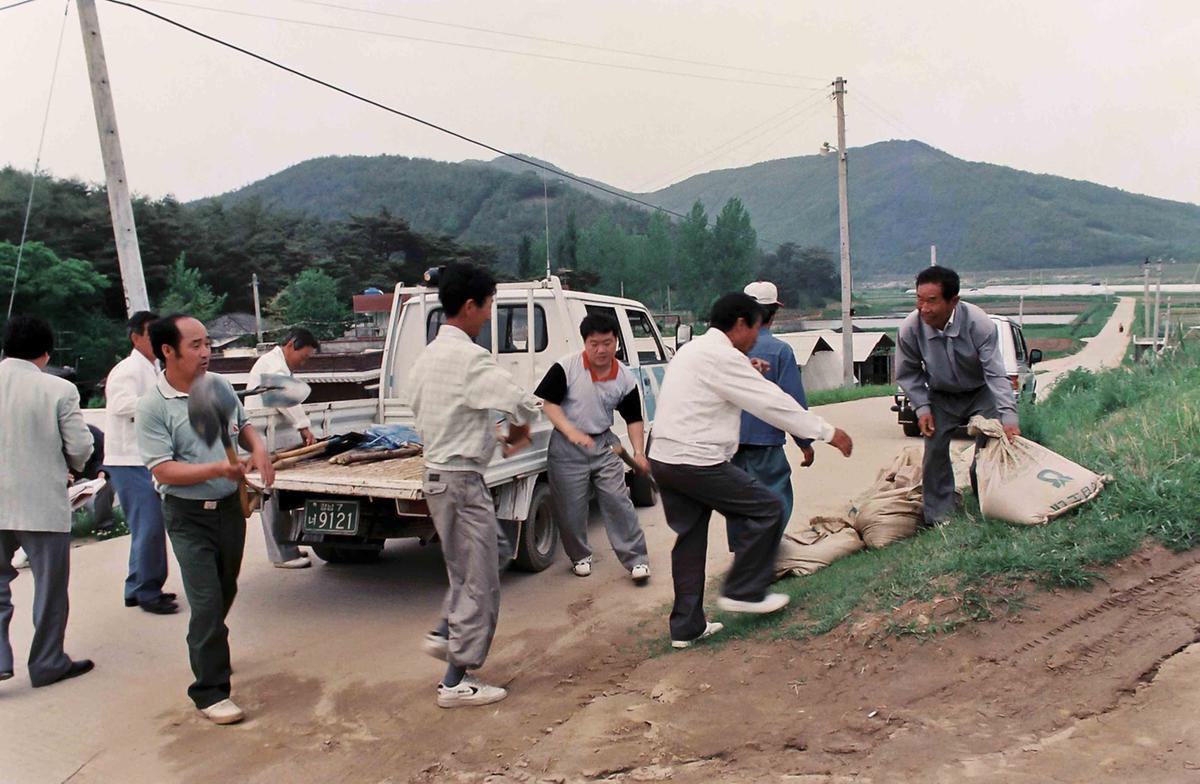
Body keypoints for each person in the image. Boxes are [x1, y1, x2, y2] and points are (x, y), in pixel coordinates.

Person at [648, 293, 853, 649]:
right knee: (767, 508)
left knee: (691, 541)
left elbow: (715, 384)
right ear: (740, 324)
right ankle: (743, 589)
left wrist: (747, 369)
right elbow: (770, 402)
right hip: (695, 460)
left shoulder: (694, 351)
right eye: (756, 328)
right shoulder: (723, 357)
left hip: (665, 458)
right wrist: (827, 432)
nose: (757, 337)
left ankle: (687, 627)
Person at [404, 262, 540, 708]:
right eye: (488, 306)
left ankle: (445, 629)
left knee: (491, 554)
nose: (489, 315)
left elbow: (443, 412)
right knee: (480, 580)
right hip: (461, 484)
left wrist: (488, 434)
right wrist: (518, 434)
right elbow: (521, 403)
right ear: (470, 306)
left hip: (441, 476)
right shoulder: (469, 358)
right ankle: (454, 681)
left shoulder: (428, 358)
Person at [136, 314, 274, 725]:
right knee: (207, 601)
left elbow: (245, 426)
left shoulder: (218, 387)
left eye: (207, 344)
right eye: (195, 345)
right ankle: (209, 691)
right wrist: (219, 469)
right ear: (168, 351)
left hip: (230, 509)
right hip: (187, 515)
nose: (206, 352)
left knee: (225, 589)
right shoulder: (153, 406)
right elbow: (163, 471)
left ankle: (211, 646)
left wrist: (260, 450)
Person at [0, 315, 95, 687]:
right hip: (40, 502)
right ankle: (47, 662)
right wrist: (72, 466)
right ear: (46, 352)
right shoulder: (58, 389)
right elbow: (81, 446)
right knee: (50, 586)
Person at [895, 266, 1020, 525]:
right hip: (941, 395)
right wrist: (922, 408)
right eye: (919, 299)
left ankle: (991, 504)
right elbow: (908, 374)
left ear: (953, 301)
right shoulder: (910, 328)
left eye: (932, 301)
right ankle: (940, 516)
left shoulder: (979, 324)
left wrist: (1008, 416)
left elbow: (995, 374)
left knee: (989, 449)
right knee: (934, 451)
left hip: (980, 392)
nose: (924, 308)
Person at [534, 312, 651, 581]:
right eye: (594, 343)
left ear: (616, 343)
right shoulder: (566, 367)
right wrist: (571, 431)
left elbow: (633, 418)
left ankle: (637, 560)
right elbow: (549, 404)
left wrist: (639, 452)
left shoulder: (624, 377)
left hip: (604, 444)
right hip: (566, 446)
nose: (601, 349)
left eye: (607, 343)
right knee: (570, 507)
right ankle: (579, 556)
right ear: (585, 342)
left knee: (618, 501)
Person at [103, 310, 178, 614]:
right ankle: (148, 591)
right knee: (149, 525)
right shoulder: (128, 369)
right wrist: (159, 404)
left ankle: (136, 587)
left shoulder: (152, 367)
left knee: (144, 526)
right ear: (136, 337)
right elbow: (120, 404)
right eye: (152, 334)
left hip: (143, 457)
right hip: (129, 458)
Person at [735, 281, 814, 541]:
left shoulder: (728, 349)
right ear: (774, 313)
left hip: (730, 441)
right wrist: (804, 442)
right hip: (765, 442)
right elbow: (793, 402)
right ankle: (764, 548)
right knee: (775, 495)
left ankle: (743, 548)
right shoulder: (780, 351)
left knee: (740, 499)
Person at [246, 328, 319, 569]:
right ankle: (282, 555)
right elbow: (284, 397)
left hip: (268, 438)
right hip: (262, 440)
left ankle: (288, 548)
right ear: (290, 345)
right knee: (271, 498)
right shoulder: (273, 366)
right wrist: (304, 427)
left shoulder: (278, 364)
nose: (303, 362)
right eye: (304, 356)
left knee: (277, 497)